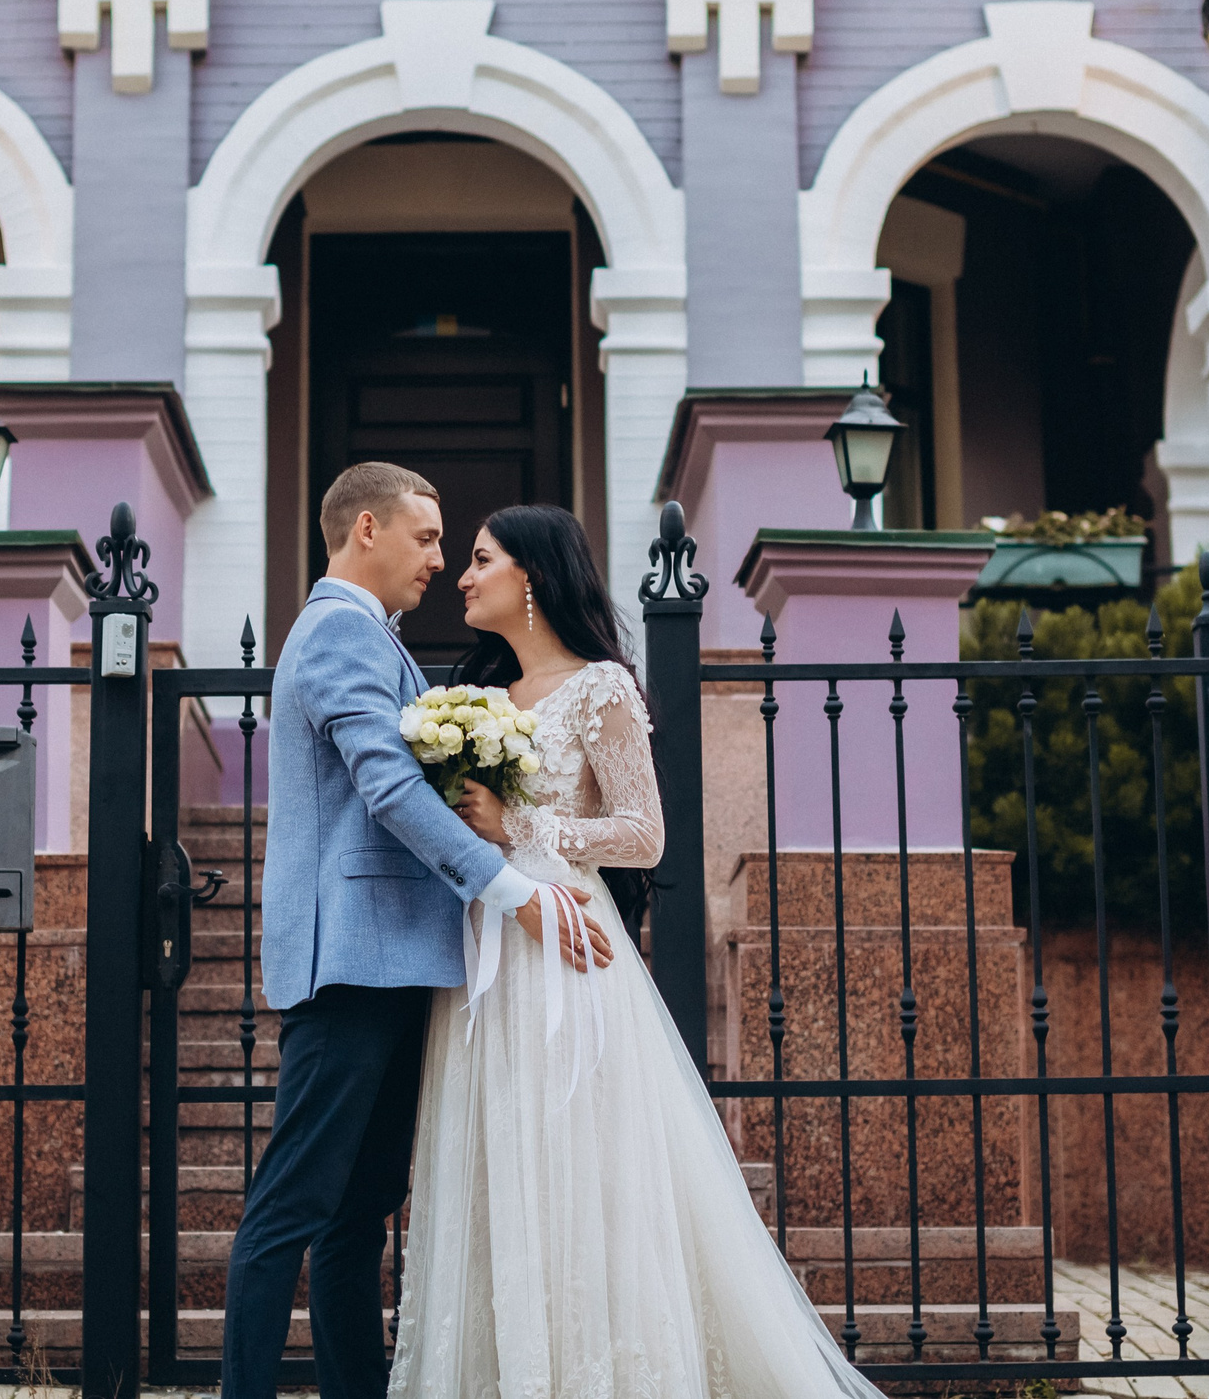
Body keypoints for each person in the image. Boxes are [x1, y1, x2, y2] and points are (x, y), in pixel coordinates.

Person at [389, 503, 883, 1399]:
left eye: (481, 559)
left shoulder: (602, 688)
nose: (463, 576)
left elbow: (644, 834)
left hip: (570, 947)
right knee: (497, 1152)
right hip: (485, 951)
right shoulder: (479, 705)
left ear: (531, 575)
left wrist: (522, 821)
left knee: (579, 1155)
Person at [220, 464, 613, 1399]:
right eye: (428, 537)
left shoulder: (370, 637)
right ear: (367, 529)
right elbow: (390, 788)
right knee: (291, 1208)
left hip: (396, 963)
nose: (441, 559)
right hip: (352, 964)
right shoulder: (338, 634)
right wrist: (510, 888)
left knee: (357, 1218)